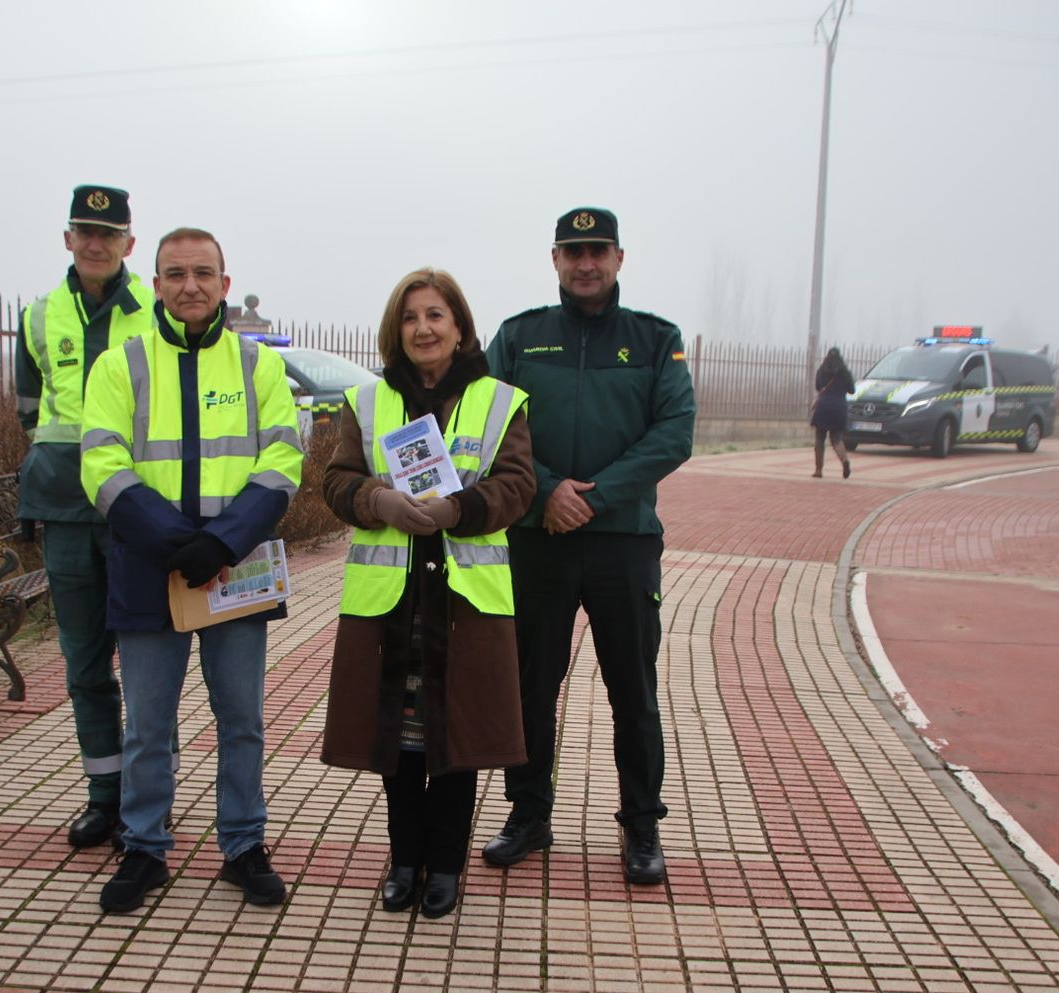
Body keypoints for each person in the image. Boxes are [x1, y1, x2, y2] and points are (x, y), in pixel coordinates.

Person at [80, 227, 304, 914]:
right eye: (174, 273)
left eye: (203, 272)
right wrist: (179, 541)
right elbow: (100, 462)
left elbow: (284, 457)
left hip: (234, 571)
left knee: (242, 719)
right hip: (151, 568)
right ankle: (143, 846)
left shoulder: (257, 364)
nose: (190, 285)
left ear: (225, 283)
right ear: (156, 284)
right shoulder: (121, 364)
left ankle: (243, 844)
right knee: (148, 724)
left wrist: (223, 543)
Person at [482, 207, 696, 885]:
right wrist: (548, 492)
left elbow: (674, 431)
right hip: (538, 539)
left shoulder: (656, 339)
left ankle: (641, 825)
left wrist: (594, 496)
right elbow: (488, 424)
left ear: (619, 258)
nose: (585, 262)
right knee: (529, 687)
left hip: (623, 544)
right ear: (554, 260)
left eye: (597, 250)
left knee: (633, 690)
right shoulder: (520, 337)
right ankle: (528, 813)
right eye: (573, 251)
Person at [320, 269, 534, 920]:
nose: (423, 328)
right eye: (411, 317)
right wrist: (378, 499)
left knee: (456, 742)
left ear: (461, 327)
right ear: (396, 330)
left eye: (436, 314)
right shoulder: (368, 401)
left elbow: (519, 486)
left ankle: (445, 866)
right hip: (392, 604)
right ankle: (404, 861)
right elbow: (337, 482)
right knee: (402, 744)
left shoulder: (502, 400)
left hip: (464, 605)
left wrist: (458, 509)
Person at [16, 185, 155, 848]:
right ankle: (104, 794)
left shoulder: (157, 312)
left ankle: (146, 801)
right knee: (84, 663)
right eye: (84, 231)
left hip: (135, 510)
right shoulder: (38, 315)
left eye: (109, 233)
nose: (96, 243)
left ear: (129, 242)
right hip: (66, 510)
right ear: (68, 238)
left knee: (150, 662)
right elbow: (30, 411)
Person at [811, 346, 854, 479]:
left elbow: (818, 387)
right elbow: (852, 390)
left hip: (823, 407)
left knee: (820, 439)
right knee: (836, 439)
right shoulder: (845, 373)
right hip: (839, 407)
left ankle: (818, 470)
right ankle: (844, 460)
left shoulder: (822, 371)